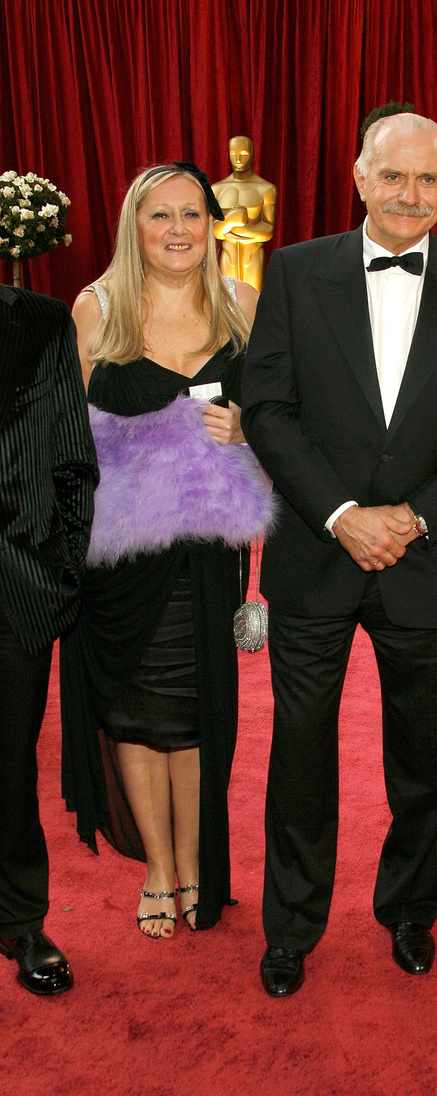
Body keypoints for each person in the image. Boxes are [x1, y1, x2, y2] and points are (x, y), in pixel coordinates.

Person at [241, 112, 437, 996]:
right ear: (360, 178)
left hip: (427, 558)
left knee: (425, 756)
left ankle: (410, 911)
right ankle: (291, 926)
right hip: (315, 551)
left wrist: (415, 517)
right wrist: (340, 515)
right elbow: (268, 410)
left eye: (428, 179)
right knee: (299, 754)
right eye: (392, 176)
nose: (410, 194)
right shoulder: (294, 271)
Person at [62, 162, 270, 938]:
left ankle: (195, 861)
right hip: (121, 556)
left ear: (212, 225)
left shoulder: (242, 303)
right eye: (160, 215)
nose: (178, 229)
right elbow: (62, 434)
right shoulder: (98, 308)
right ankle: (159, 868)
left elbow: (283, 412)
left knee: (195, 712)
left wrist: (247, 427)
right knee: (136, 712)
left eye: (191, 214)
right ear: (134, 226)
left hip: (209, 553)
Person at [0, 286, 98, 994]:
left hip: (18, 580)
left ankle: (19, 918)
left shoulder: (38, 320)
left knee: (10, 760)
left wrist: (60, 567)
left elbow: (71, 453)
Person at [212, 136, 277, 291]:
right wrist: (231, 220)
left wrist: (240, 229)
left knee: (254, 298)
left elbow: (268, 231)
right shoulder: (217, 189)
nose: (238, 159)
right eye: (233, 154)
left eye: (243, 154)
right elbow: (214, 231)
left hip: (253, 253)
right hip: (228, 252)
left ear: (252, 154)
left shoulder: (266, 189)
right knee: (228, 298)